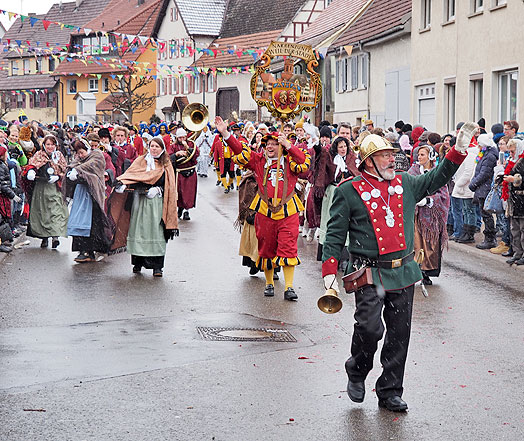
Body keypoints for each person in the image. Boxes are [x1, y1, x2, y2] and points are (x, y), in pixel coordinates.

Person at [321, 124, 477, 412]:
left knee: (399, 333)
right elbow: (333, 234)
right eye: (385, 156)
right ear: (369, 161)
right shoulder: (349, 191)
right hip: (368, 271)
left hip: (403, 271)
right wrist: (329, 273)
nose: (393, 160)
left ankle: (390, 390)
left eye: (393, 155)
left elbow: (438, 176)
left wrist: (458, 150)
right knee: (369, 329)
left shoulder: (406, 183)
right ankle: (357, 370)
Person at [217, 116, 311, 300]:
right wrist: (226, 133)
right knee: (266, 247)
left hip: (288, 211)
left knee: (288, 247)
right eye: (267, 143)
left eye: (275, 144)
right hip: (265, 211)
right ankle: (269, 283)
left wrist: (290, 146)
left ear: (281, 145)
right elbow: (239, 149)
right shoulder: (258, 161)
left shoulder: (290, 161)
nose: (270, 146)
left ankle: (289, 287)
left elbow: (304, 166)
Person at [112, 137, 179, 277]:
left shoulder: (166, 164)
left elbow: (170, 186)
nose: (154, 149)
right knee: (138, 230)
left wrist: (158, 190)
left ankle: (157, 267)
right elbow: (131, 175)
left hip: (156, 202)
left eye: (157, 146)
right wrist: (124, 184)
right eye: (151, 146)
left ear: (162, 149)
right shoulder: (141, 161)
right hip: (140, 201)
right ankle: (138, 263)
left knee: (155, 231)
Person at [408, 145, 450, 285]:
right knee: (415, 244)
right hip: (415, 215)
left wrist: (428, 200)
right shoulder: (412, 171)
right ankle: (416, 270)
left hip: (431, 216)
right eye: (418, 155)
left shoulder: (436, 173)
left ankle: (427, 271)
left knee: (430, 244)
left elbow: (443, 194)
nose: (419, 157)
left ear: (430, 156)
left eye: (422, 155)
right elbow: (406, 187)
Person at [65, 139, 112, 263]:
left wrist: (78, 171)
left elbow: (92, 168)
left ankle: (92, 250)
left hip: (93, 196)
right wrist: (71, 172)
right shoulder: (79, 160)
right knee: (79, 221)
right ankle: (83, 250)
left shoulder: (97, 155)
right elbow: (73, 165)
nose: (80, 155)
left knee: (93, 222)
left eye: (82, 152)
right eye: (78, 153)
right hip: (81, 195)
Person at [316, 136, 359, 261]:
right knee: (330, 222)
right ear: (336, 148)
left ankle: (345, 258)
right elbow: (322, 173)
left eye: (345, 146)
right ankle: (328, 255)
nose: (343, 149)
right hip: (332, 192)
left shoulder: (352, 159)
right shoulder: (330, 159)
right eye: (340, 147)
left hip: (348, 192)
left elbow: (357, 174)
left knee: (346, 221)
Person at [24, 135, 68, 249]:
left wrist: (58, 177)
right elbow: (31, 165)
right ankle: (44, 237)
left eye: (52, 144)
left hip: (54, 187)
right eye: (48, 144)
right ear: (44, 145)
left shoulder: (58, 156)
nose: (50, 147)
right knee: (42, 212)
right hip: (41, 187)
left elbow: (65, 169)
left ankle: (55, 237)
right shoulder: (39, 155)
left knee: (56, 211)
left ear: (55, 145)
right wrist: (31, 172)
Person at [468, 133, 498, 249]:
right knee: (485, 214)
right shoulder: (485, 154)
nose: (478, 146)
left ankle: (490, 238)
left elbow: (484, 173)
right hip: (482, 188)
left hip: (484, 188)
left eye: (479, 144)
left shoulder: (489, 156)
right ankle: (489, 238)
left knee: (487, 215)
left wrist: (473, 184)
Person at [171, 128, 199, 220]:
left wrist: (187, 148)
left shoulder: (191, 144)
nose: (182, 139)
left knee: (189, 193)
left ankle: (187, 211)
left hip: (190, 171)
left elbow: (196, 154)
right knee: (179, 193)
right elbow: (168, 157)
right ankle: (180, 208)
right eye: (180, 138)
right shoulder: (173, 146)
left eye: (183, 137)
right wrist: (176, 154)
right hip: (179, 172)